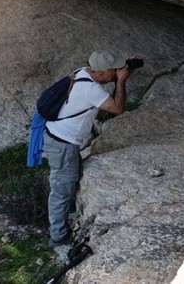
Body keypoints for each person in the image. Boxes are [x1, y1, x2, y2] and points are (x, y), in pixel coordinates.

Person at [44, 50, 136, 246]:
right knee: (61, 190)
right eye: (114, 69)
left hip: (58, 139)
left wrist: (120, 72)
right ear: (102, 73)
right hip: (63, 145)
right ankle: (58, 237)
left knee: (65, 183)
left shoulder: (82, 72)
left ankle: (63, 222)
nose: (117, 72)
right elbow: (117, 109)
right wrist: (121, 82)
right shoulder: (91, 90)